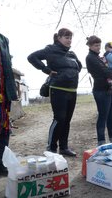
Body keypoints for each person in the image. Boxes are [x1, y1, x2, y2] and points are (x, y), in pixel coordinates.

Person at [28, 28, 82, 157]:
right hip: (58, 90)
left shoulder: (72, 54)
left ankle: (63, 147)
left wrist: (71, 74)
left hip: (72, 91)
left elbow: (78, 66)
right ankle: (51, 147)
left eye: (70, 38)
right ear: (59, 38)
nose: (69, 40)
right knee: (59, 119)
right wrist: (46, 69)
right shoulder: (50, 50)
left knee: (67, 120)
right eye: (66, 37)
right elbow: (32, 57)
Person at [85, 35, 112, 146]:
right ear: (90, 46)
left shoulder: (101, 57)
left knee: (111, 115)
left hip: (111, 88)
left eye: (99, 45)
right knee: (103, 115)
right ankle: (101, 142)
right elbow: (104, 71)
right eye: (96, 45)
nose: (98, 47)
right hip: (101, 90)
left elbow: (110, 69)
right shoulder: (90, 58)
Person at [0, 4, 18, 175]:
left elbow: (8, 66)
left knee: (3, 129)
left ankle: (0, 163)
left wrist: (12, 89)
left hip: (1, 94)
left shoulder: (2, 39)